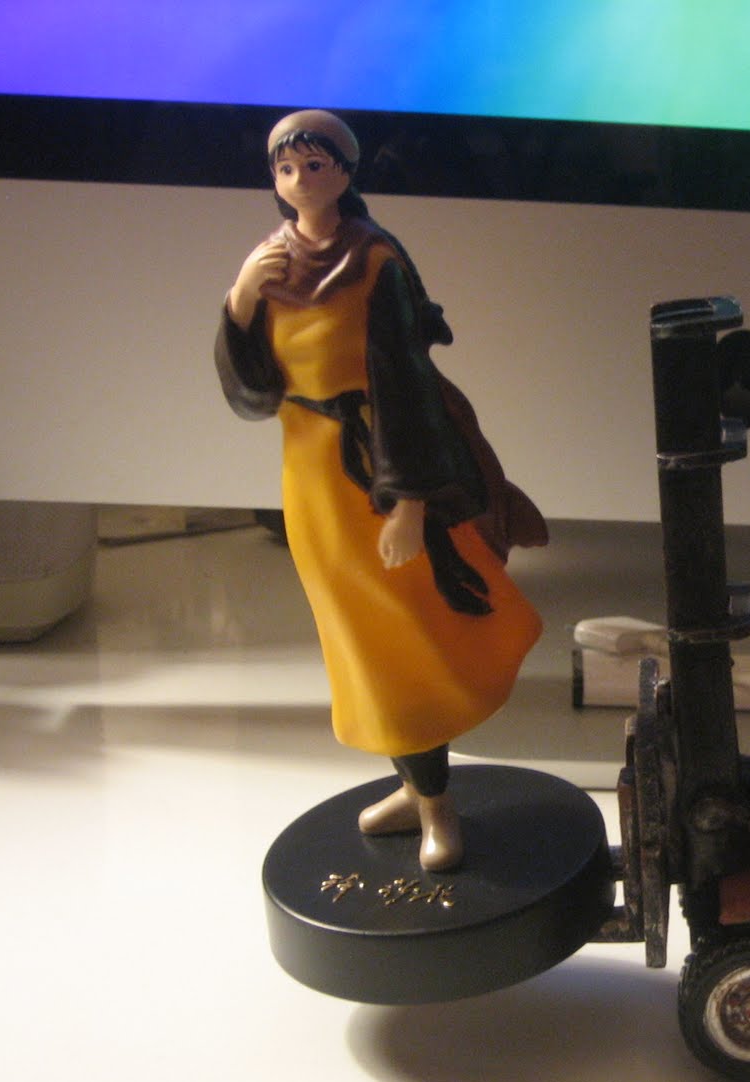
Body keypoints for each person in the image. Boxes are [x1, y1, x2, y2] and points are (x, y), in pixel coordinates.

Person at [215, 110, 546, 871]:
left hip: (374, 475)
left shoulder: (374, 261)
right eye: (286, 169)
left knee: (406, 640)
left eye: (316, 165)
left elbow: (405, 385)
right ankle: (414, 782)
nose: (301, 180)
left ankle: (436, 802)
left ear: (345, 171)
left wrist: (409, 503)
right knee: (358, 644)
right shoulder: (267, 265)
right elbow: (253, 394)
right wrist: (239, 301)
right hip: (310, 480)